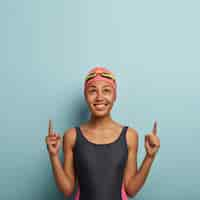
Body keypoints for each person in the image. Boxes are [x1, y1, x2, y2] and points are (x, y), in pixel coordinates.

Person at [45, 66, 160, 200]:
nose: (99, 97)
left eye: (106, 91)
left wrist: (149, 157)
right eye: (92, 91)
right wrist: (53, 155)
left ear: (115, 95)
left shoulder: (129, 136)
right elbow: (67, 190)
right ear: (85, 95)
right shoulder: (72, 136)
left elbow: (131, 190)